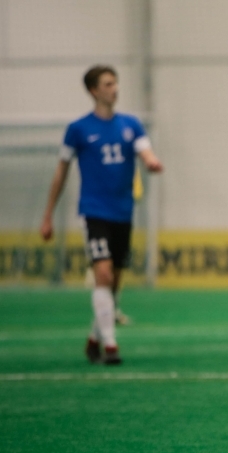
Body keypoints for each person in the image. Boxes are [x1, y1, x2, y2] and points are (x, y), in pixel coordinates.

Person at [40, 65, 163, 365]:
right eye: (108, 84)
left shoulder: (131, 125)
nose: (115, 89)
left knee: (114, 282)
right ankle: (110, 345)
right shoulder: (79, 129)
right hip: (94, 211)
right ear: (94, 90)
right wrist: (48, 215)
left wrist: (151, 162)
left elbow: (145, 151)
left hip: (123, 212)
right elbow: (61, 173)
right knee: (103, 274)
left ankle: (94, 338)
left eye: (116, 83)